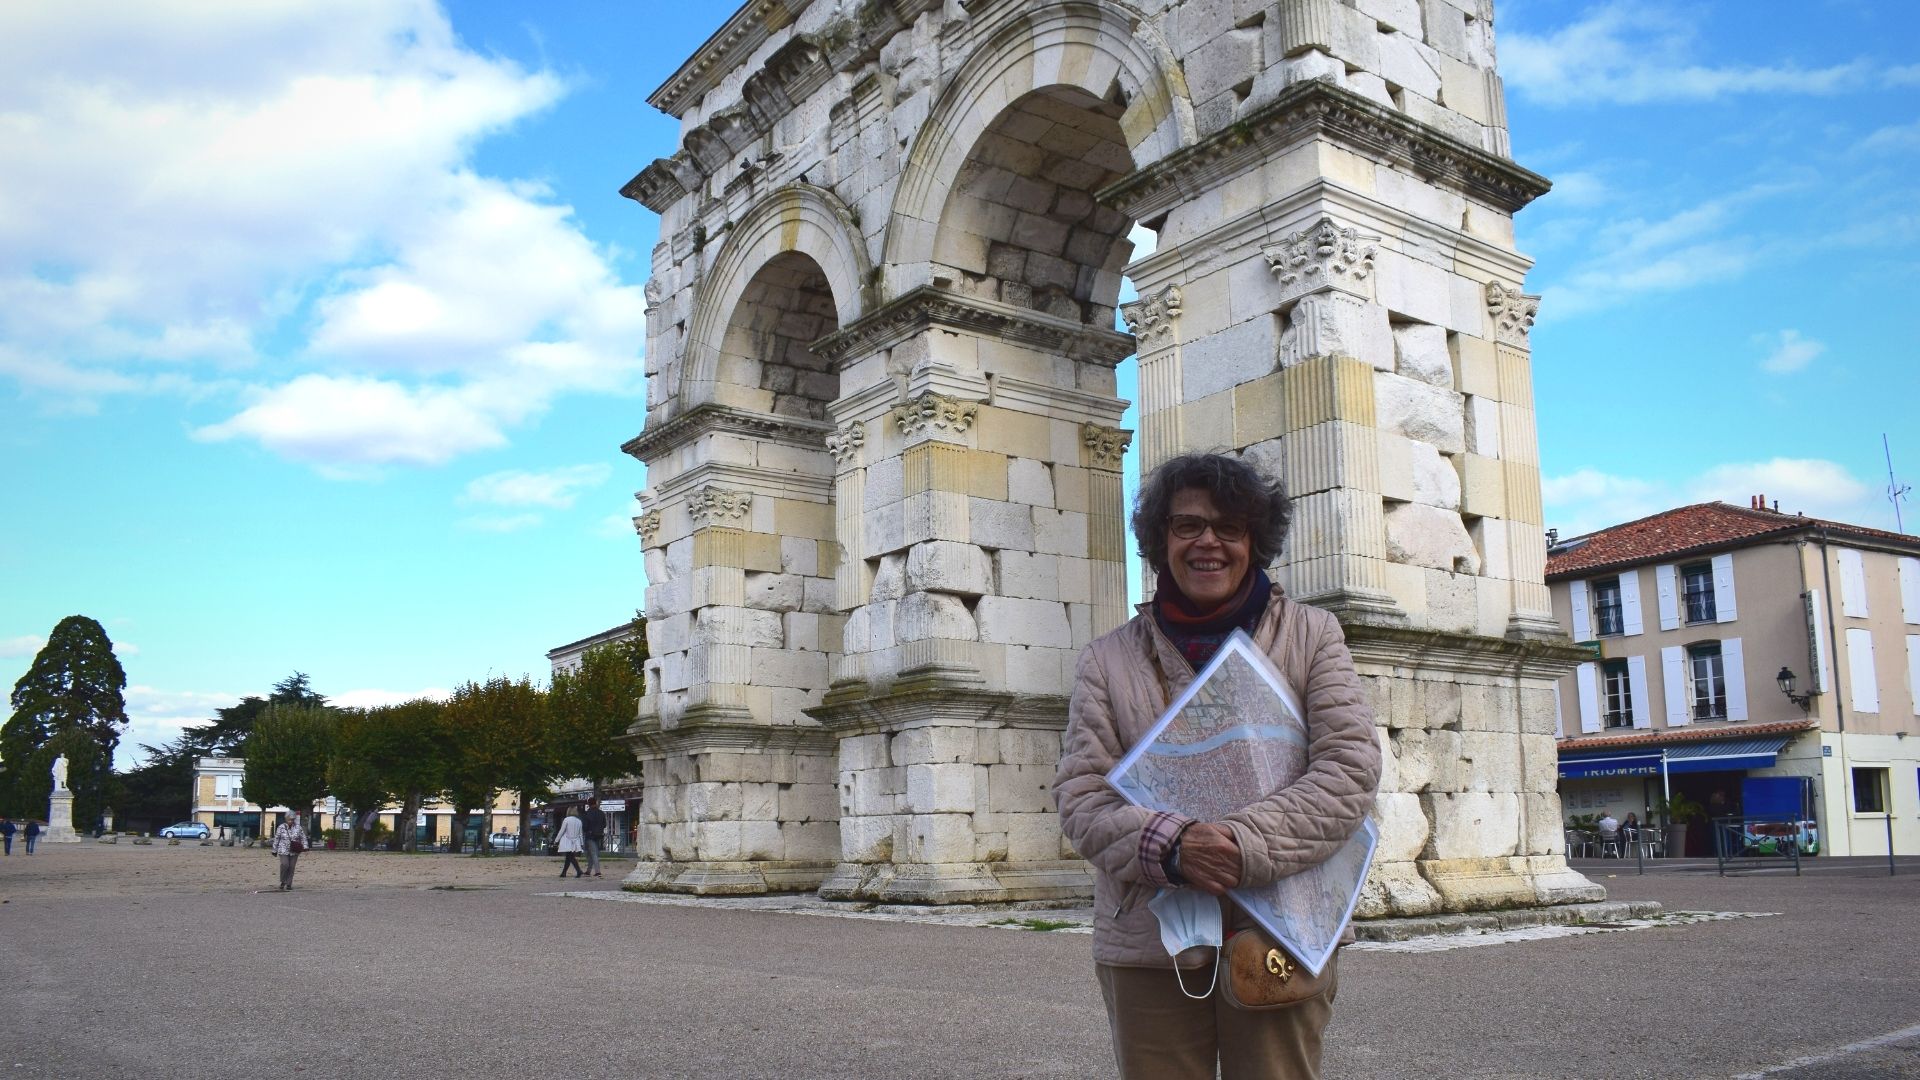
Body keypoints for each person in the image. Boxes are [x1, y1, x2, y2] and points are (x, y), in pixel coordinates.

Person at [1054, 452, 1381, 1080]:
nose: (1209, 542)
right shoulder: (1106, 659)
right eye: (1187, 526)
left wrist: (1240, 843)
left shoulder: (1314, 635)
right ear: (1158, 542)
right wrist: (1170, 846)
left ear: (1254, 541)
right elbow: (1081, 794)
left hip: (1282, 926)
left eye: (1229, 528)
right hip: (1149, 937)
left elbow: (1349, 769)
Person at [271, 812, 308, 891]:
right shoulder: (281, 827)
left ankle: (289, 884)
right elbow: (277, 839)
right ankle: (283, 881)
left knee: (291, 867)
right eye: (289, 819)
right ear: (286, 819)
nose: (291, 821)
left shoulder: (298, 827)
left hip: (294, 850)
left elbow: (303, 837)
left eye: (292, 819)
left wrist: (305, 847)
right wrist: (274, 850)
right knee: (285, 865)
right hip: (283, 849)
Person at [555, 808, 586, 879]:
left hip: (567, 840)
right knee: (569, 857)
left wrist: (556, 840)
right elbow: (580, 834)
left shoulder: (566, 820)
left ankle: (577, 870)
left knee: (570, 857)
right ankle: (564, 872)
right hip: (575, 841)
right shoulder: (579, 821)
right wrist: (581, 843)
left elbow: (562, 831)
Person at [581, 797, 607, 878]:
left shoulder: (587, 813)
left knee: (592, 853)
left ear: (588, 804)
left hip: (590, 835)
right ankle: (588, 871)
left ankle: (597, 871)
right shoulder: (601, 813)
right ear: (595, 803)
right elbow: (604, 824)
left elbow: (585, 826)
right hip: (599, 835)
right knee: (593, 853)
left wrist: (587, 831)